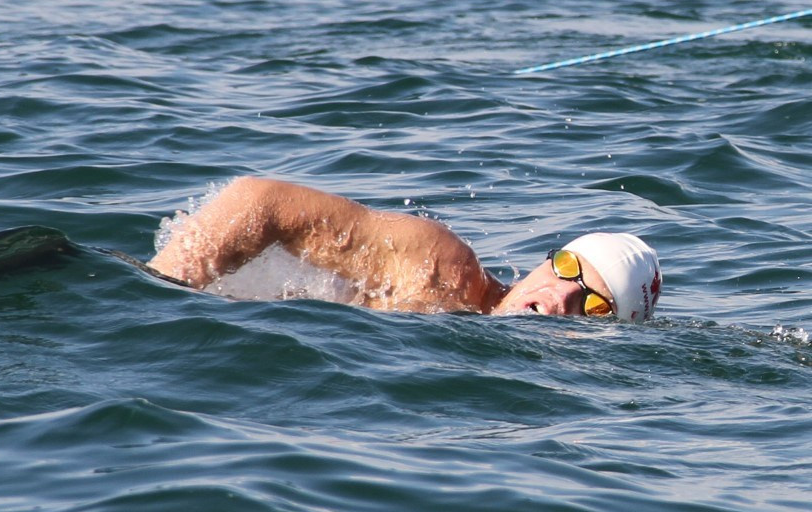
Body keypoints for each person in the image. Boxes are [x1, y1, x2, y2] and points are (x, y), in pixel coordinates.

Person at [148, 176, 663, 323]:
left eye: (592, 306)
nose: (560, 298)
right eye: (569, 268)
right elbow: (261, 202)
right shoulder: (440, 269)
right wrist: (155, 293)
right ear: (545, 260)